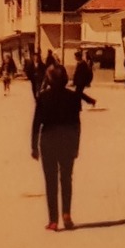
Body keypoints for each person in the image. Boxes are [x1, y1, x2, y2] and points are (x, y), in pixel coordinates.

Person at [30, 65, 86, 230]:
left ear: (48, 79)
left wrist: (34, 147)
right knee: (66, 179)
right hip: (67, 142)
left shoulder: (43, 97)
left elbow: (36, 124)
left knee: (51, 181)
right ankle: (66, 214)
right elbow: (77, 124)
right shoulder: (73, 97)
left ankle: (53, 220)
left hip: (48, 142)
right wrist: (76, 146)